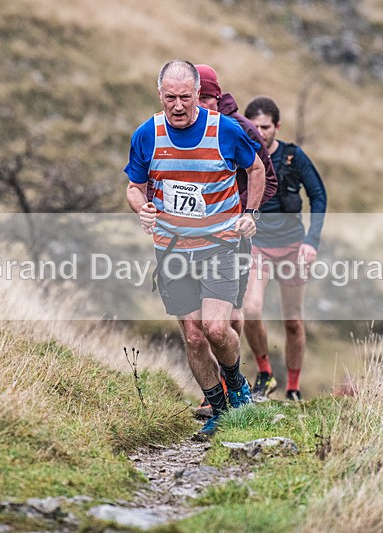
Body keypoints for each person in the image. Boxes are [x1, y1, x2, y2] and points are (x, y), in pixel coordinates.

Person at [125, 60, 266, 440]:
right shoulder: (147, 134)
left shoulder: (225, 130)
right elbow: (134, 187)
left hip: (220, 244)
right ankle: (218, 410)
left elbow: (255, 169)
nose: (178, 105)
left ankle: (237, 386)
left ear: (198, 96)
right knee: (192, 334)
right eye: (170, 97)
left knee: (217, 328)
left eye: (186, 97)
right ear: (160, 95)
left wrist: (250, 213)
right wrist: (143, 207)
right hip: (171, 249)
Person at [192, 64, 279, 418]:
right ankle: (214, 389)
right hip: (189, 237)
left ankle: (231, 381)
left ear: (218, 96)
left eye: (206, 99)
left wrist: (246, 213)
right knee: (196, 325)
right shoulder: (179, 129)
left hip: (232, 237)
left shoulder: (239, 128)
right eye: (194, 99)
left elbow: (266, 177)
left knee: (229, 317)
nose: (200, 106)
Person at [242, 95, 327, 402]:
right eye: (254, 126)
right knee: (250, 309)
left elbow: (319, 197)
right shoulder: (243, 155)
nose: (260, 132)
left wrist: (311, 241)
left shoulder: (294, 157)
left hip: (293, 247)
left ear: (277, 126)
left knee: (292, 321)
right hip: (257, 247)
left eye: (265, 126)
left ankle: (292, 388)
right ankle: (265, 373)